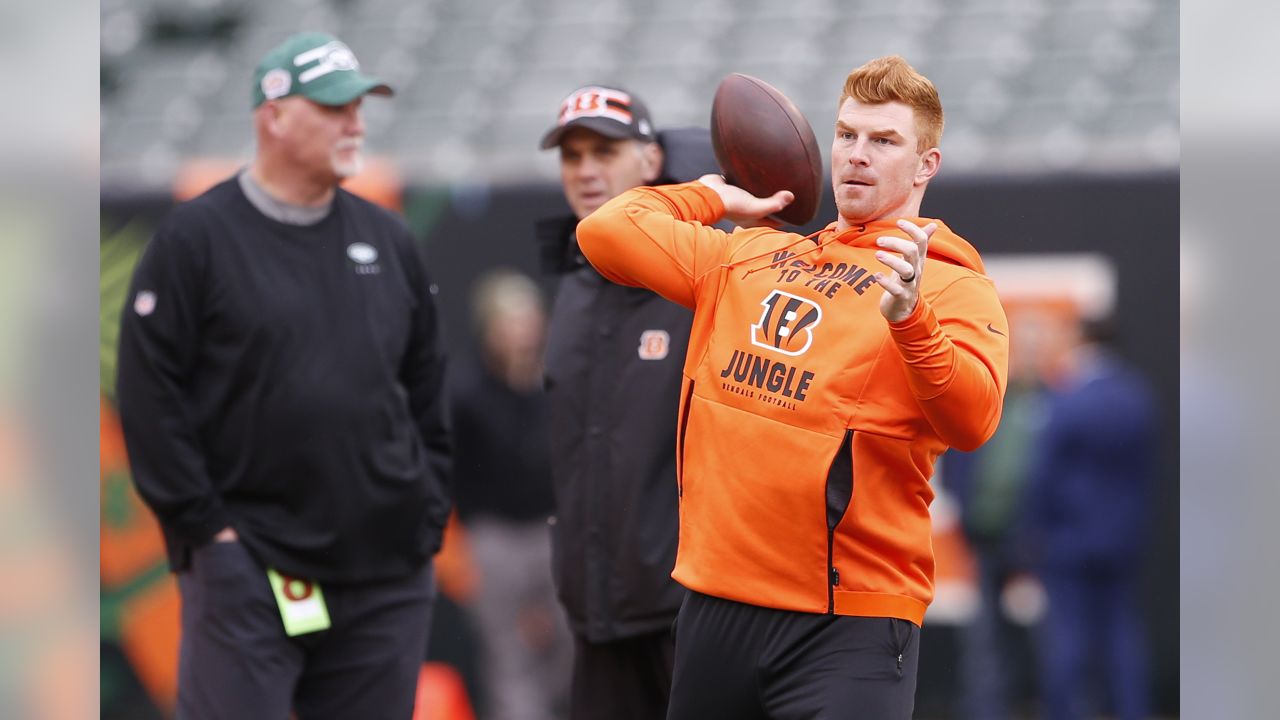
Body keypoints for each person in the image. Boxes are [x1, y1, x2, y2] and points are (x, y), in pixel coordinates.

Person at [575, 56, 1010, 719]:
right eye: (846, 135)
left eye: (884, 141)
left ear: (926, 165)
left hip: (848, 621)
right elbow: (604, 231)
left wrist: (911, 322)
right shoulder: (751, 254)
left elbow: (974, 420)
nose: (857, 156)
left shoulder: (949, 285)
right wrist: (719, 196)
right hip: (717, 605)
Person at [115, 32, 451, 720]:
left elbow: (425, 384)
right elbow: (151, 397)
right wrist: (208, 532)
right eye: (333, 108)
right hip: (252, 563)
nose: (355, 122)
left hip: (383, 568)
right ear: (273, 116)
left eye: (359, 106)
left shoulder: (386, 238)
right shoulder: (196, 238)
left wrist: (428, 504)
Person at [536, 85, 720, 720]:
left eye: (605, 151)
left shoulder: (702, 270)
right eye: (572, 155)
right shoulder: (573, 283)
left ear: (650, 161)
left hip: (689, 609)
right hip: (594, 607)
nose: (585, 170)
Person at [449, 269, 571, 720]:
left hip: (555, 532)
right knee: (507, 654)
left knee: (572, 641)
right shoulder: (465, 391)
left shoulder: (557, 380)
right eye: (508, 323)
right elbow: (451, 467)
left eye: (527, 320)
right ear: (489, 329)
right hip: (495, 538)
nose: (520, 333)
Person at [1020, 316, 1156, 720]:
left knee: (1067, 637)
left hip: (1068, 539)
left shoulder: (1068, 399)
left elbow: (1043, 473)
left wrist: (1032, 530)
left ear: (1083, 341)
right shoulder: (1140, 398)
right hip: (1123, 538)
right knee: (1121, 634)